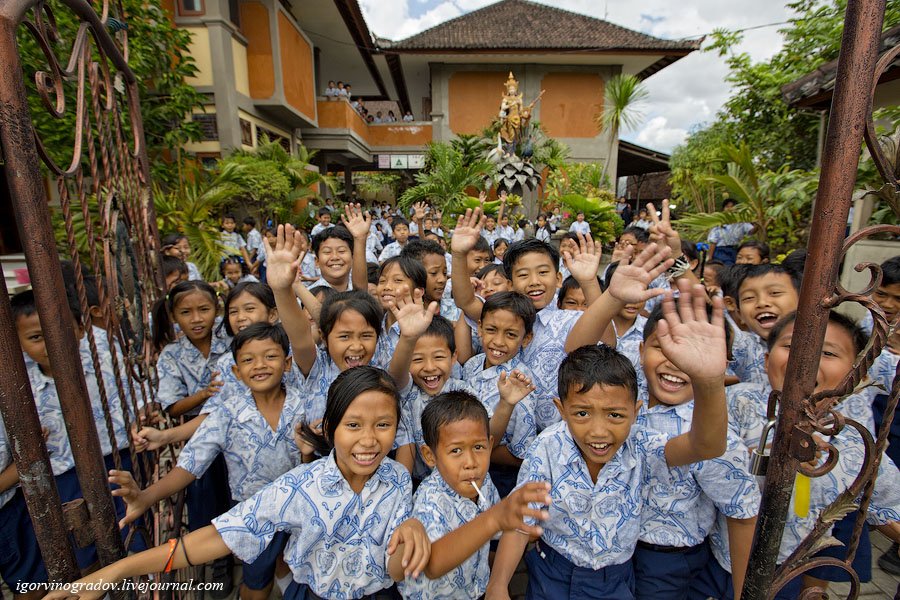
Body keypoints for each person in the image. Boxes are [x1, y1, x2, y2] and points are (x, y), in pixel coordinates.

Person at [45, 367, 433, 600]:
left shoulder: (398, 478)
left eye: (383, 425)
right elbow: (212, 540)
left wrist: (413, 524)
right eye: (353, 425)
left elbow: (398, 558)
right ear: (330, 429)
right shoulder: (298, 487)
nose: (369, 440)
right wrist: (115, 571)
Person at [487, 282, 730, 599]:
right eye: (582, 413)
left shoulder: (642, 442)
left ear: (635, 412)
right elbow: (521, 519)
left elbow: (707, 445)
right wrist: (498, 584)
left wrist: (709, 382)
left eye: (615, 415)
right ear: (561, 410)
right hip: (552, 572)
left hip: (615, 579)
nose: (598, 432)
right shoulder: (548, 446)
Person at [113, 323, 304, 600]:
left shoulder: (304, 404)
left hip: (301, 510)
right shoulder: (226, 413)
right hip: (252, 516)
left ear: (286, 363)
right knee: (257, 581)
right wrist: (146, 497)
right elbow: (190, 464)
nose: (260, 365)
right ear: (236, 372)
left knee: (299, 567)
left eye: (270, 356)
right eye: (248, 360)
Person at [722, 311, 900, 599]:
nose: (806, 359)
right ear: (767, 360)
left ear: (857, 376)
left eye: (828, 352)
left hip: (788, 566)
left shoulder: (855, 443)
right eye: (790, 346)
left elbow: (889, 506)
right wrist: (756, 454)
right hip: (719, 554)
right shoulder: (738, 401)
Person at [11, 289, 137, 570]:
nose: (52, 343)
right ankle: (99, 580)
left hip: (115, 458)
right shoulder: (21, 386)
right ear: (19, 342)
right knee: (82, 540)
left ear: (81, 329)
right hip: (61, 475)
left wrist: (139, 420)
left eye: (61, 331)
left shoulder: (104, 363)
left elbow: (133, 399)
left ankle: (143, 576)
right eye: (36, 337)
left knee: (131, 523)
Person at [453, 208, 603, 430]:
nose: (534, 281)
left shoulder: (570, 320)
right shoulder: (501, 314)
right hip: (499, 431)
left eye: (543, 272)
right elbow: (466, 301)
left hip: (552, 434)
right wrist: (458, 255)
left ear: (558, 278)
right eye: (523, 275)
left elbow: (606, 335)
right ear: (510, 284)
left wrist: (589, 281)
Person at [399, 392, 551, 600]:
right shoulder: (430, 502)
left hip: (473, 589)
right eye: (456, 451)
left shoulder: (483, 482)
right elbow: (432, 565)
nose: (471, 462)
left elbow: (497, 526)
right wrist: (494, 520)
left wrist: (516, 527)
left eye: (478, 447)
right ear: (430, 456)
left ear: (490, 444)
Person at [460, 292, 539, 498]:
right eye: (491, 330)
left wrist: (469, 449)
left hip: (500, 476)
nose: (498, 341)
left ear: (526, 338)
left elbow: (521, 454)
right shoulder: (472, 365)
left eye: (511, 334)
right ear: (479, 328)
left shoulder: (521, 383)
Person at [707, 199, 756, 265]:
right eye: (727, 207)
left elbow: (751, 232)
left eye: (732, 206)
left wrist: (756, 224)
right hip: (720, 251)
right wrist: (710, 258)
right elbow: (713, 242)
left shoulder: (741, 222)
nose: (730, 209)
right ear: (723, 209)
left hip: (734, 250)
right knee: (728, 266)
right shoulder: (719, 223)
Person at [310, 226, 355, 291]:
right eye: (327, 252)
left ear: (353, 257)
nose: (335, 257)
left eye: (341, 251)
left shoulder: (365, 290)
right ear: (317, 261)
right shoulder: (307, 295)